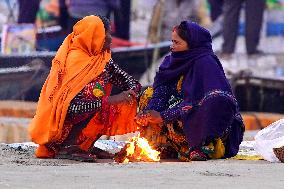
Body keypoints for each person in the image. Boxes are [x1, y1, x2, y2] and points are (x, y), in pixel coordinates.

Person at [29, 15, 141, 162]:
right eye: (106, 34)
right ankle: (68, 147)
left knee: (114, 102)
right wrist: (112, 99)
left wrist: (136, 91)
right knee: (102, 98)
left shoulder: (102, 58)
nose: (111, 39)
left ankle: (84, 145)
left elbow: (126, 80)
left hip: (85, 109)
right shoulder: (75, 59)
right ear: (94, 35)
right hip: (59, 127)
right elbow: (72, 108)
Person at [136, 21, 244, 161]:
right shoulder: (171, 62)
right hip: (180, 113)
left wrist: (163, 116)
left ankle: (199, 147)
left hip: (208, 123)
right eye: (172, 42)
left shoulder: (206, 63)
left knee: (209, 103)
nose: (171, 47)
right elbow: (161, 92)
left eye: (177, 43)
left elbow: (210, 101)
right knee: (147, 95)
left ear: (192, 45)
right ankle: (166, 146)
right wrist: (149, 113)